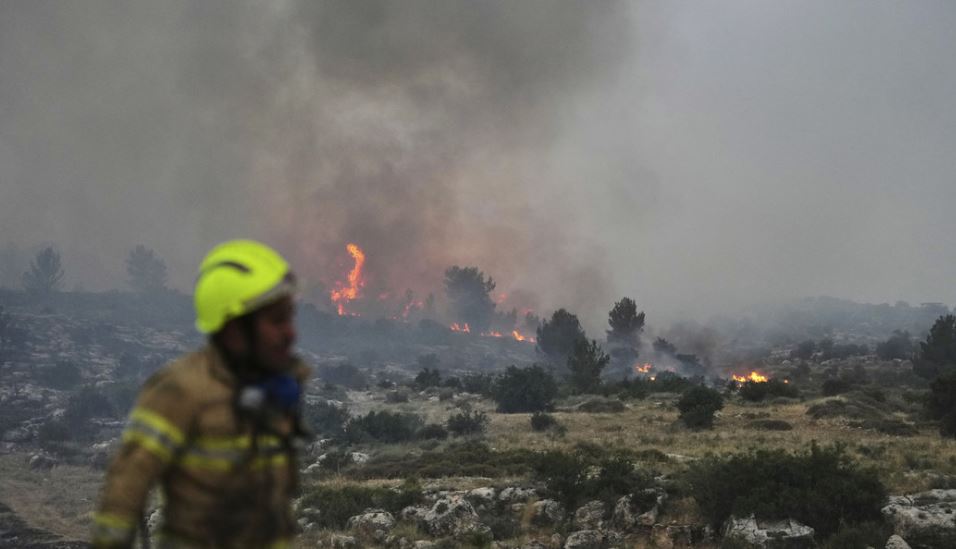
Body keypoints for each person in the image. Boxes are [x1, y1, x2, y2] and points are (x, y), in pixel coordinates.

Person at [93, 240, 310, 548]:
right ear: (235, 328)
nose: (291, 333)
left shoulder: (275, 393)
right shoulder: (180, 391)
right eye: (277, 320)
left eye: (290, 317)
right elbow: (123, 496)